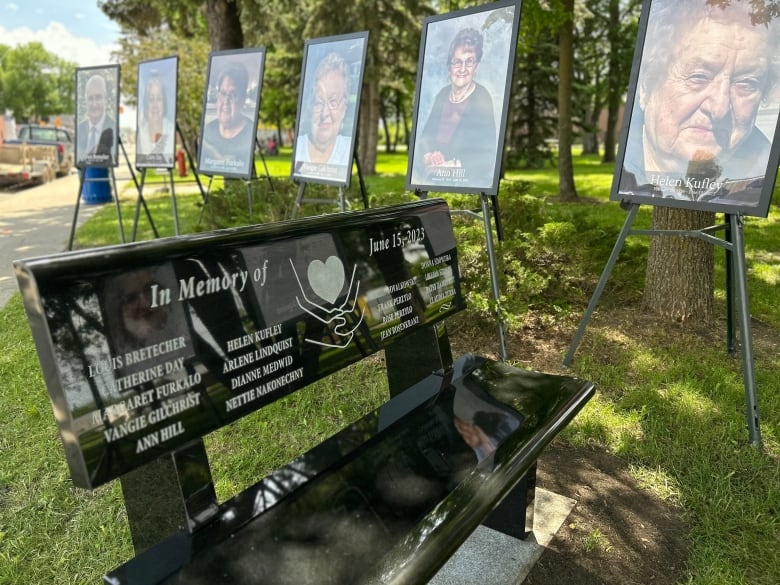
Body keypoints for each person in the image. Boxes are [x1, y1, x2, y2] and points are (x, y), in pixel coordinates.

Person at [619, 0, 780, 205]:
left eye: (746, 84)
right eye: (698, 77)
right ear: (648, 85)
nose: (719, 108)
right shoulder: (627, 170)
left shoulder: (754, 187)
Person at [413, 27, 497, 187]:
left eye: (469, 61)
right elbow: (426, 139)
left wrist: (452, 165)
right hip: (434, 177)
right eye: (457, 61)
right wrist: (429, 156)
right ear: (449, 66)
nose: (462, 68)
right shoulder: (442, 95)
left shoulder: (482, 98)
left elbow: (486, 154)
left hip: (469, 181)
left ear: (476, 66)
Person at [294, 52, 353, 171]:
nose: (324, 113)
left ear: (344, 108)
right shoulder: (299, 148)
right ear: (311, 107)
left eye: (333, 102)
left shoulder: (347, 149)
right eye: (318, 102)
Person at [200, 63, 255, 170]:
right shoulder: (208, 130)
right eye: (222, 93)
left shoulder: (249, 132)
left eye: (233, 95)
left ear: (243, 100)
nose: (226, 101)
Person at [77, 73, 116, 166]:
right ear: (86, 101)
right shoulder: (79, 129)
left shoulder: (113, 127)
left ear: (105, 99)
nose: (94, 104)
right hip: (84, 177)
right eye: (90, 98)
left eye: (98, 97)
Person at [136, 75, 174, 166]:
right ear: (146, 103)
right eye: (151, 99)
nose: (155, 105)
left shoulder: (171, 129)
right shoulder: (141, 133)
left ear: (164, 102)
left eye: (159, 99)